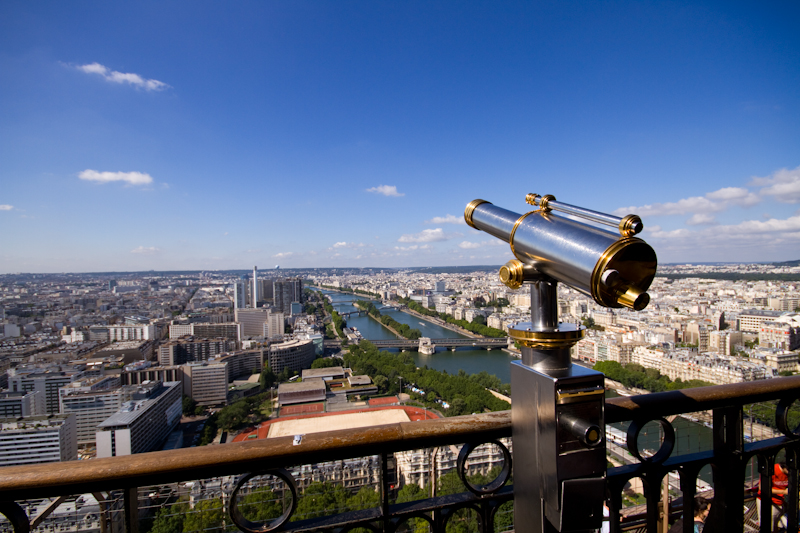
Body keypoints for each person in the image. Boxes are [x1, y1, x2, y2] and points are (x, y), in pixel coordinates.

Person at [758, 461, 790, 529]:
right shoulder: (772, 469)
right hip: (768, 501)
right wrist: (784, 491)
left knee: (777, 527)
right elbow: (762, 487)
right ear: (784, 467)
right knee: (768, 526)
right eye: (788, 470)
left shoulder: (790, 473)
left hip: (780, 502)